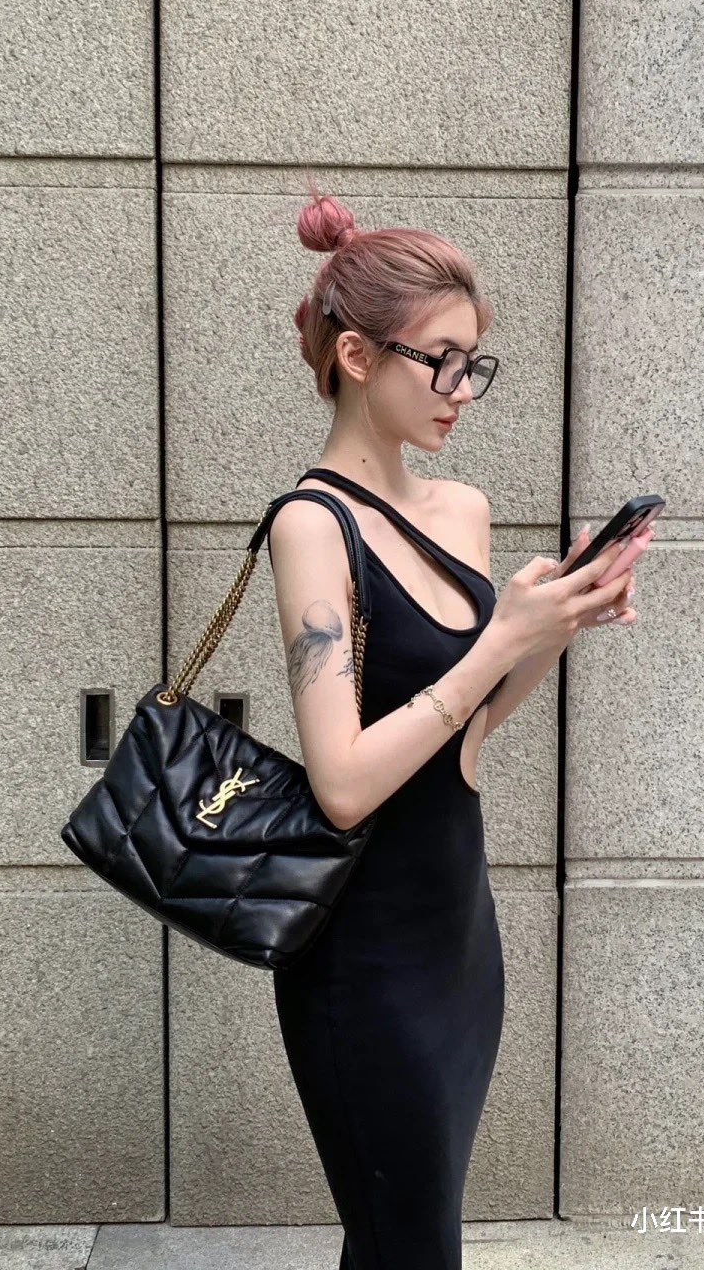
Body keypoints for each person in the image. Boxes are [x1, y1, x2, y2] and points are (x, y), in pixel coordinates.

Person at [265, 182, 654, 1269]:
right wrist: (501, 636)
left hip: (459, 938)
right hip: (364, 955)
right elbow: (343, 783)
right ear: (355, 357)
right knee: (410, 1242)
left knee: (411, 1237)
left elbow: (467, 733)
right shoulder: (311, 526)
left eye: (473, 364)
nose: (461, 391)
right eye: (439, 362)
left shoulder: (461, 509)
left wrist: (557, 625)